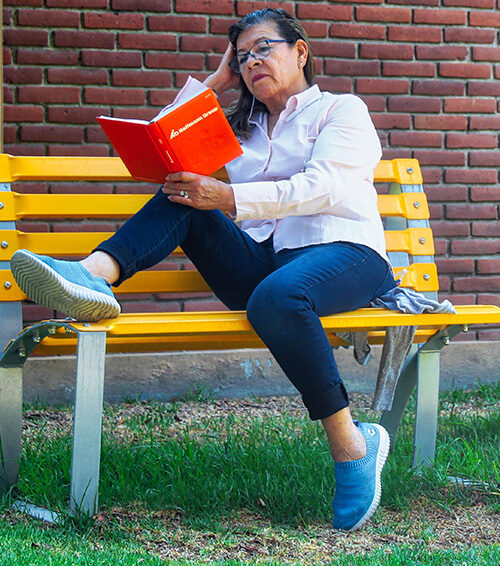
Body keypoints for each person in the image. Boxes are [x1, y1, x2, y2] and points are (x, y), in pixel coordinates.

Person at [11, 8, 395, 531]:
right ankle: (95, 275)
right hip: (267, 264)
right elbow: (158, 149)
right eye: (243, 56)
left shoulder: (340, 110)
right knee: (182, 192)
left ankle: (352, 446)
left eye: (264, 48)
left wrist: (229, 197)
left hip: (345, 253)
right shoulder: (240, 128)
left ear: (300, 51)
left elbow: (323, 187)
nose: (252, 62)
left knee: (277, 295)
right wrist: (215, 84)